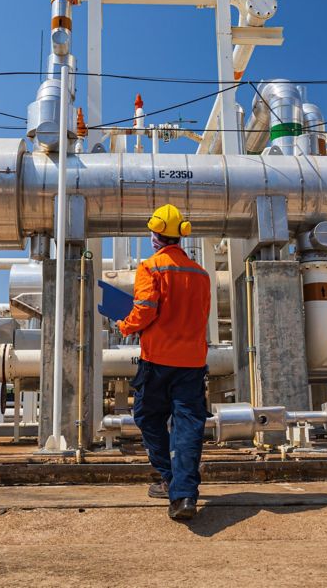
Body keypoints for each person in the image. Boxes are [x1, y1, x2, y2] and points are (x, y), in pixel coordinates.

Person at [116, 203, 211, 521]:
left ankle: (171, 478)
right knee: (188, 425)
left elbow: (145, 310)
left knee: (147, 417)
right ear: (180, 236)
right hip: (192, 362)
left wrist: (125, 325)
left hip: (157, 360)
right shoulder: (201, 274)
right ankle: (183, 495)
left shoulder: (150, 267)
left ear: (155, 236)